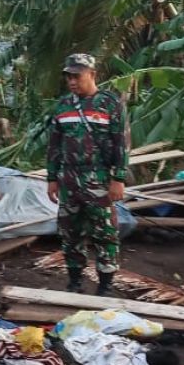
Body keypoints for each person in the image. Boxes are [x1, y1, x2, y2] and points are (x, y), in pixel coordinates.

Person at [46, 53, 129, 296]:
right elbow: (54, 145)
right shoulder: (63, 106)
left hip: (99, 178)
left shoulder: (110, 104)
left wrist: (119, 178)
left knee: (105, 232)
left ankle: (105, 285)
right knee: (70, 232)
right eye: (68, 76)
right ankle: (75, 282)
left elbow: (121, 144)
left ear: (92, 74)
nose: (72, 81)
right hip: (69, 179)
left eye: (77, 76)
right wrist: (52, 178)